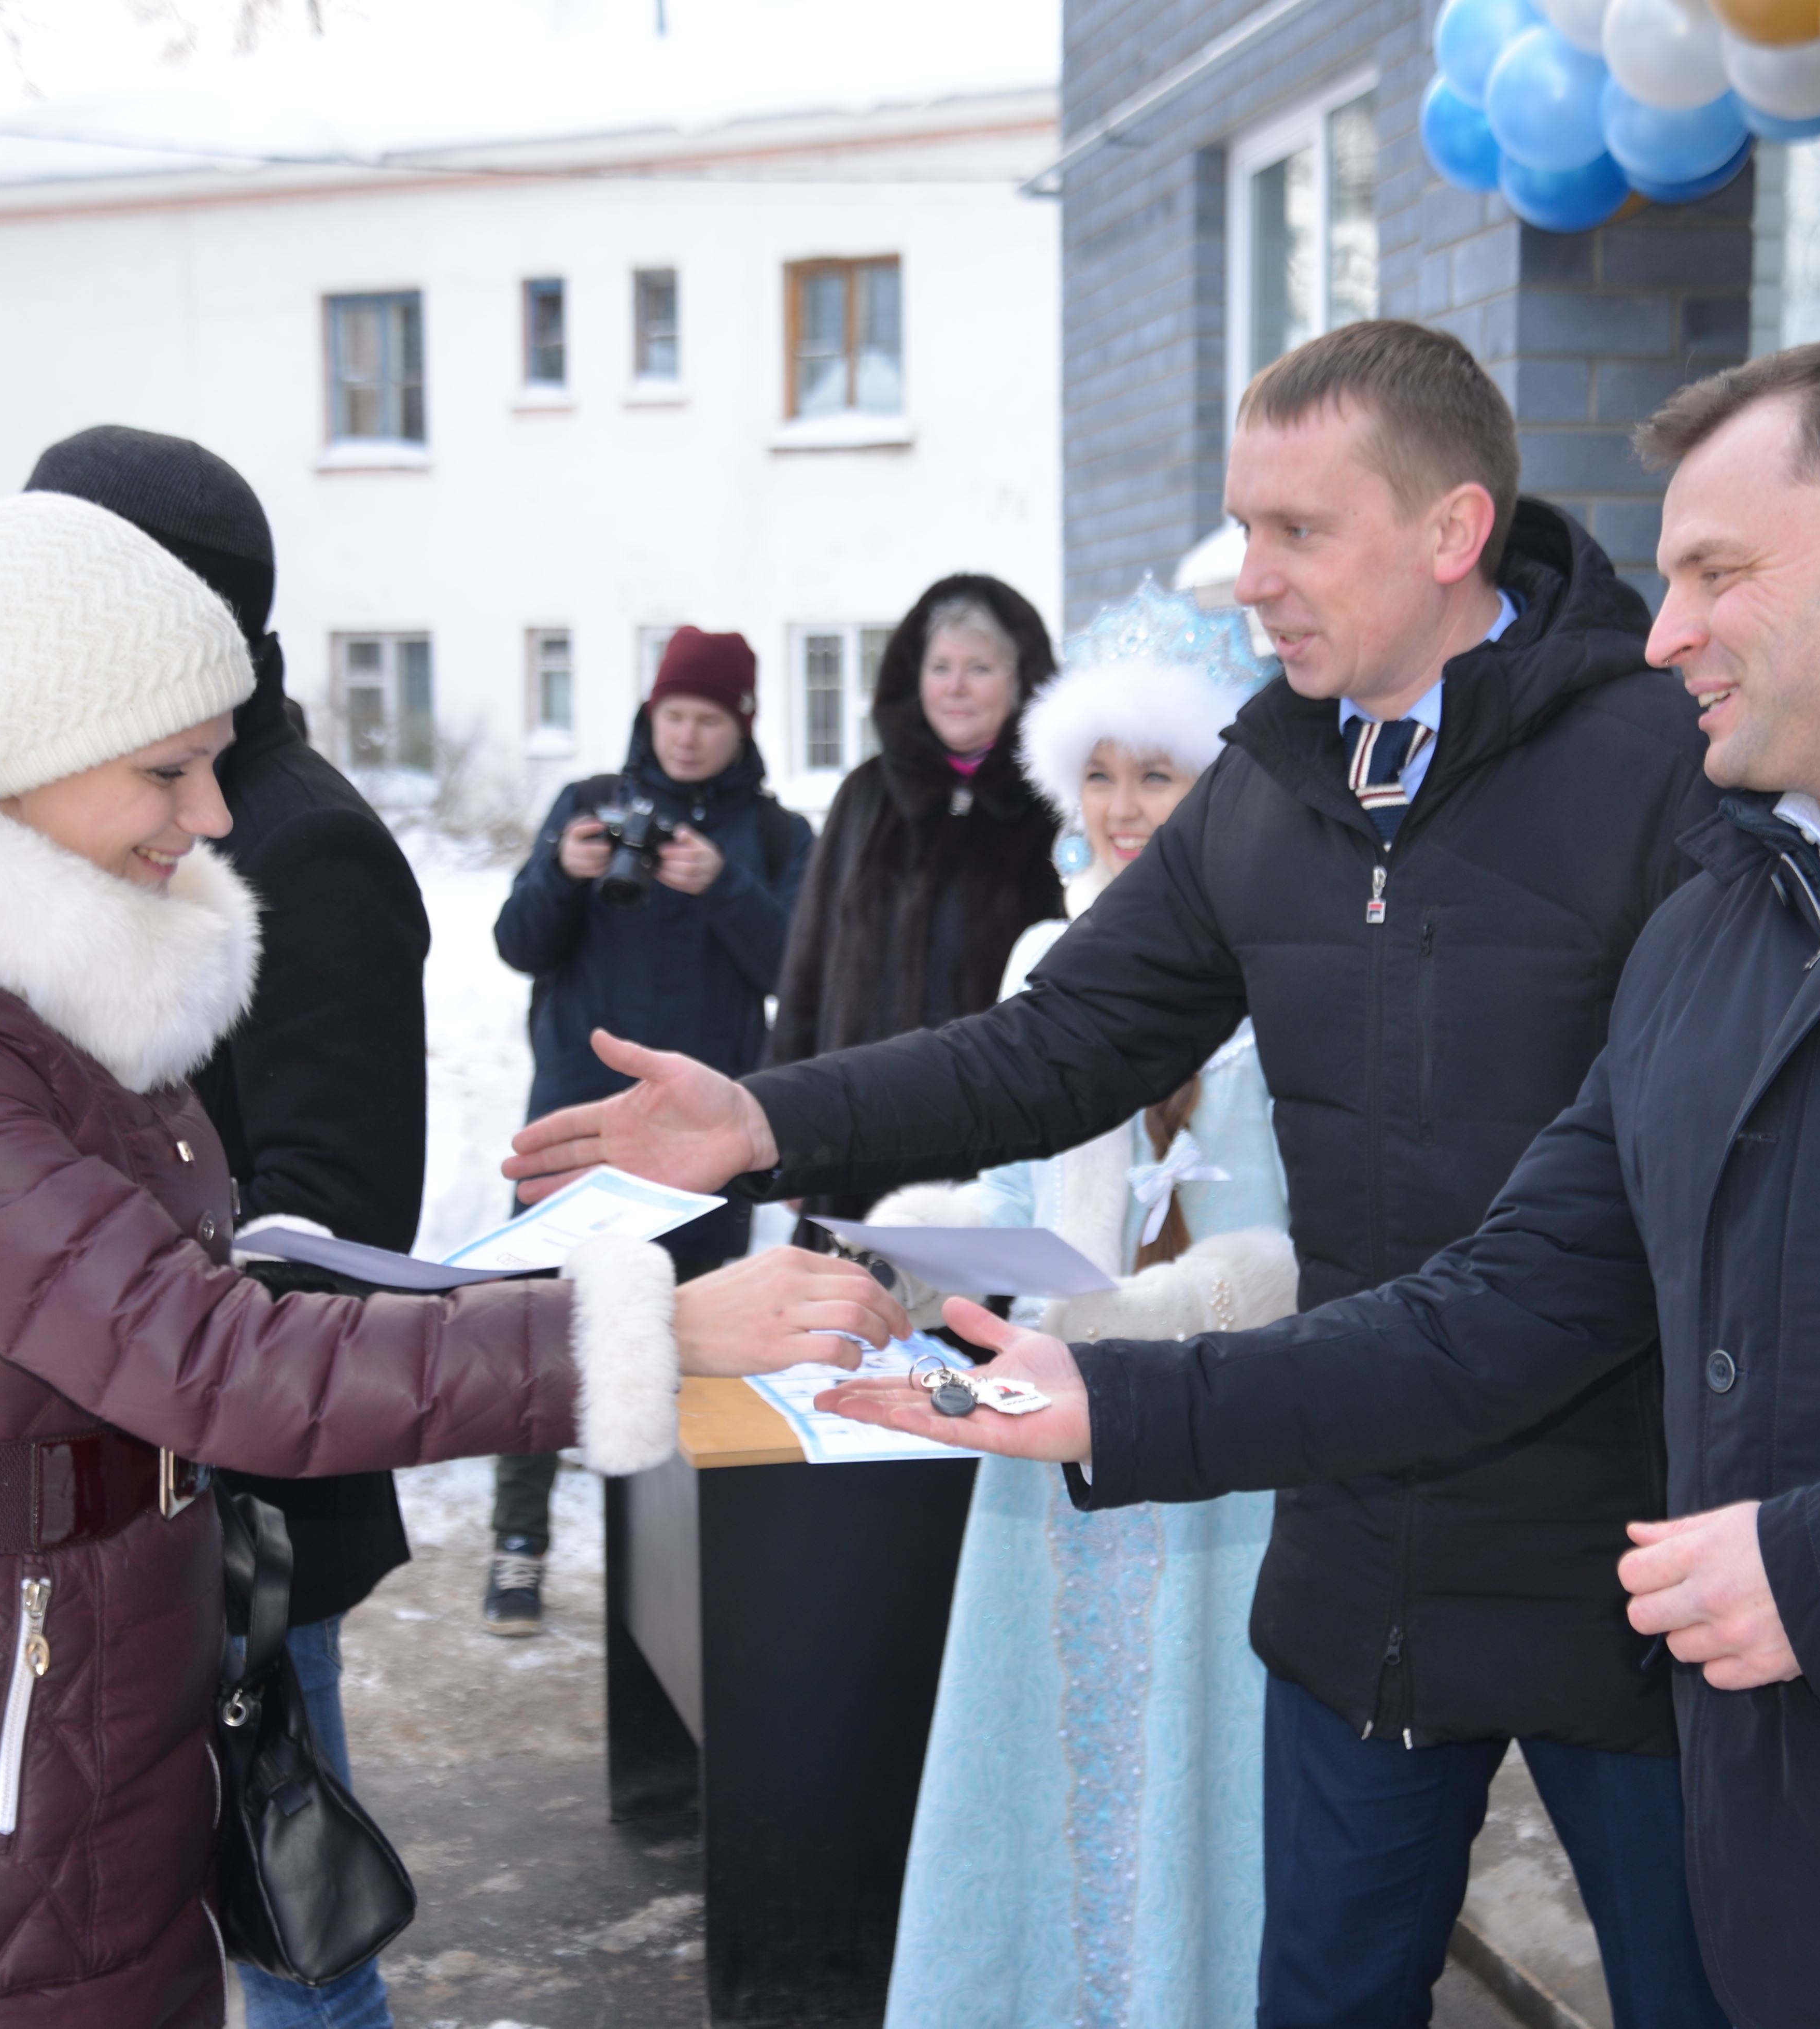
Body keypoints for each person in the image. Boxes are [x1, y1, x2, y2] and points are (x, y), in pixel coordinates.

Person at [823, 340, 1820, 2027]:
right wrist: (1114, 1401)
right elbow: (1506, 1304)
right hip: (1773, 1848)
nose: (1667, 628)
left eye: (1718, 572)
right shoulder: (1713, 926)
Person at [506, 321, 1726, 2027]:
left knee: (1698, 1993)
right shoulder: (1272, 791)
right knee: (1322, 1996)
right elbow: (1054, 1042)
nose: (1251, 579)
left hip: (1628, 1546)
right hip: (1361, 1531)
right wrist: (761, 1121)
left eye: (1298, 531)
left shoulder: (1664, 766)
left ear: (1452, 530)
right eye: (1245, 528)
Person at [0, 491, 905, 2029]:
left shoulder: (15, 988)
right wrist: (647, 1327)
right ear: (12, 760)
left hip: (74, 1688)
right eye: (168, 768)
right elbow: (206, 1362)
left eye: (215, 760)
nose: (213, 816)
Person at [27, 424, 425, 2029]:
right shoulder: (90, 804)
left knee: (286, 1942)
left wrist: (110, 1299)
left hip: (238, 1517)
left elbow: (332, 1213)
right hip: (105, 1490)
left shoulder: (299, 841)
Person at [879, 587, 1299, 2029]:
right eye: (1099, 774)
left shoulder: (1289, 976)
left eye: (1158, 773)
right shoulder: (1043, 965)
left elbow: (1303, 1242)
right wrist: (911, 1247)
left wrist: (1164, 1311)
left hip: (1223, 1455)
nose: (1124, 809)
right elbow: (1015, 1192)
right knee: (1047, 1769)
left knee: (1206, 1767)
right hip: (1046, 1457)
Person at [483, 627, 811, 1634]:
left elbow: (796, 973)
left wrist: (726, 885)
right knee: (540, 1326)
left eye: (708, 719)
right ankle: (519, 1543)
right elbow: (516, 941)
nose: (686, 737)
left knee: (700, 1329)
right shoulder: (588, 804)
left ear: (740, 724)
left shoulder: (771, 834)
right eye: (673, 715)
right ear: (648, 714)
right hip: (576, 1121)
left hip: (709, 1135)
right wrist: (562, 871)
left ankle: (695, 1557)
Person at [765, 572, 1063, 1224]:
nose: (955, 687)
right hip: (854, 1131)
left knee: (964, 1316)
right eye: (941, 667)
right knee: (846, 1311)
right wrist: (785, 1124)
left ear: (1020, 682)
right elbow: (808, 969)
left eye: (979, 668)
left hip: (992, 1142)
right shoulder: (866, 796)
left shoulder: (1052, 808)